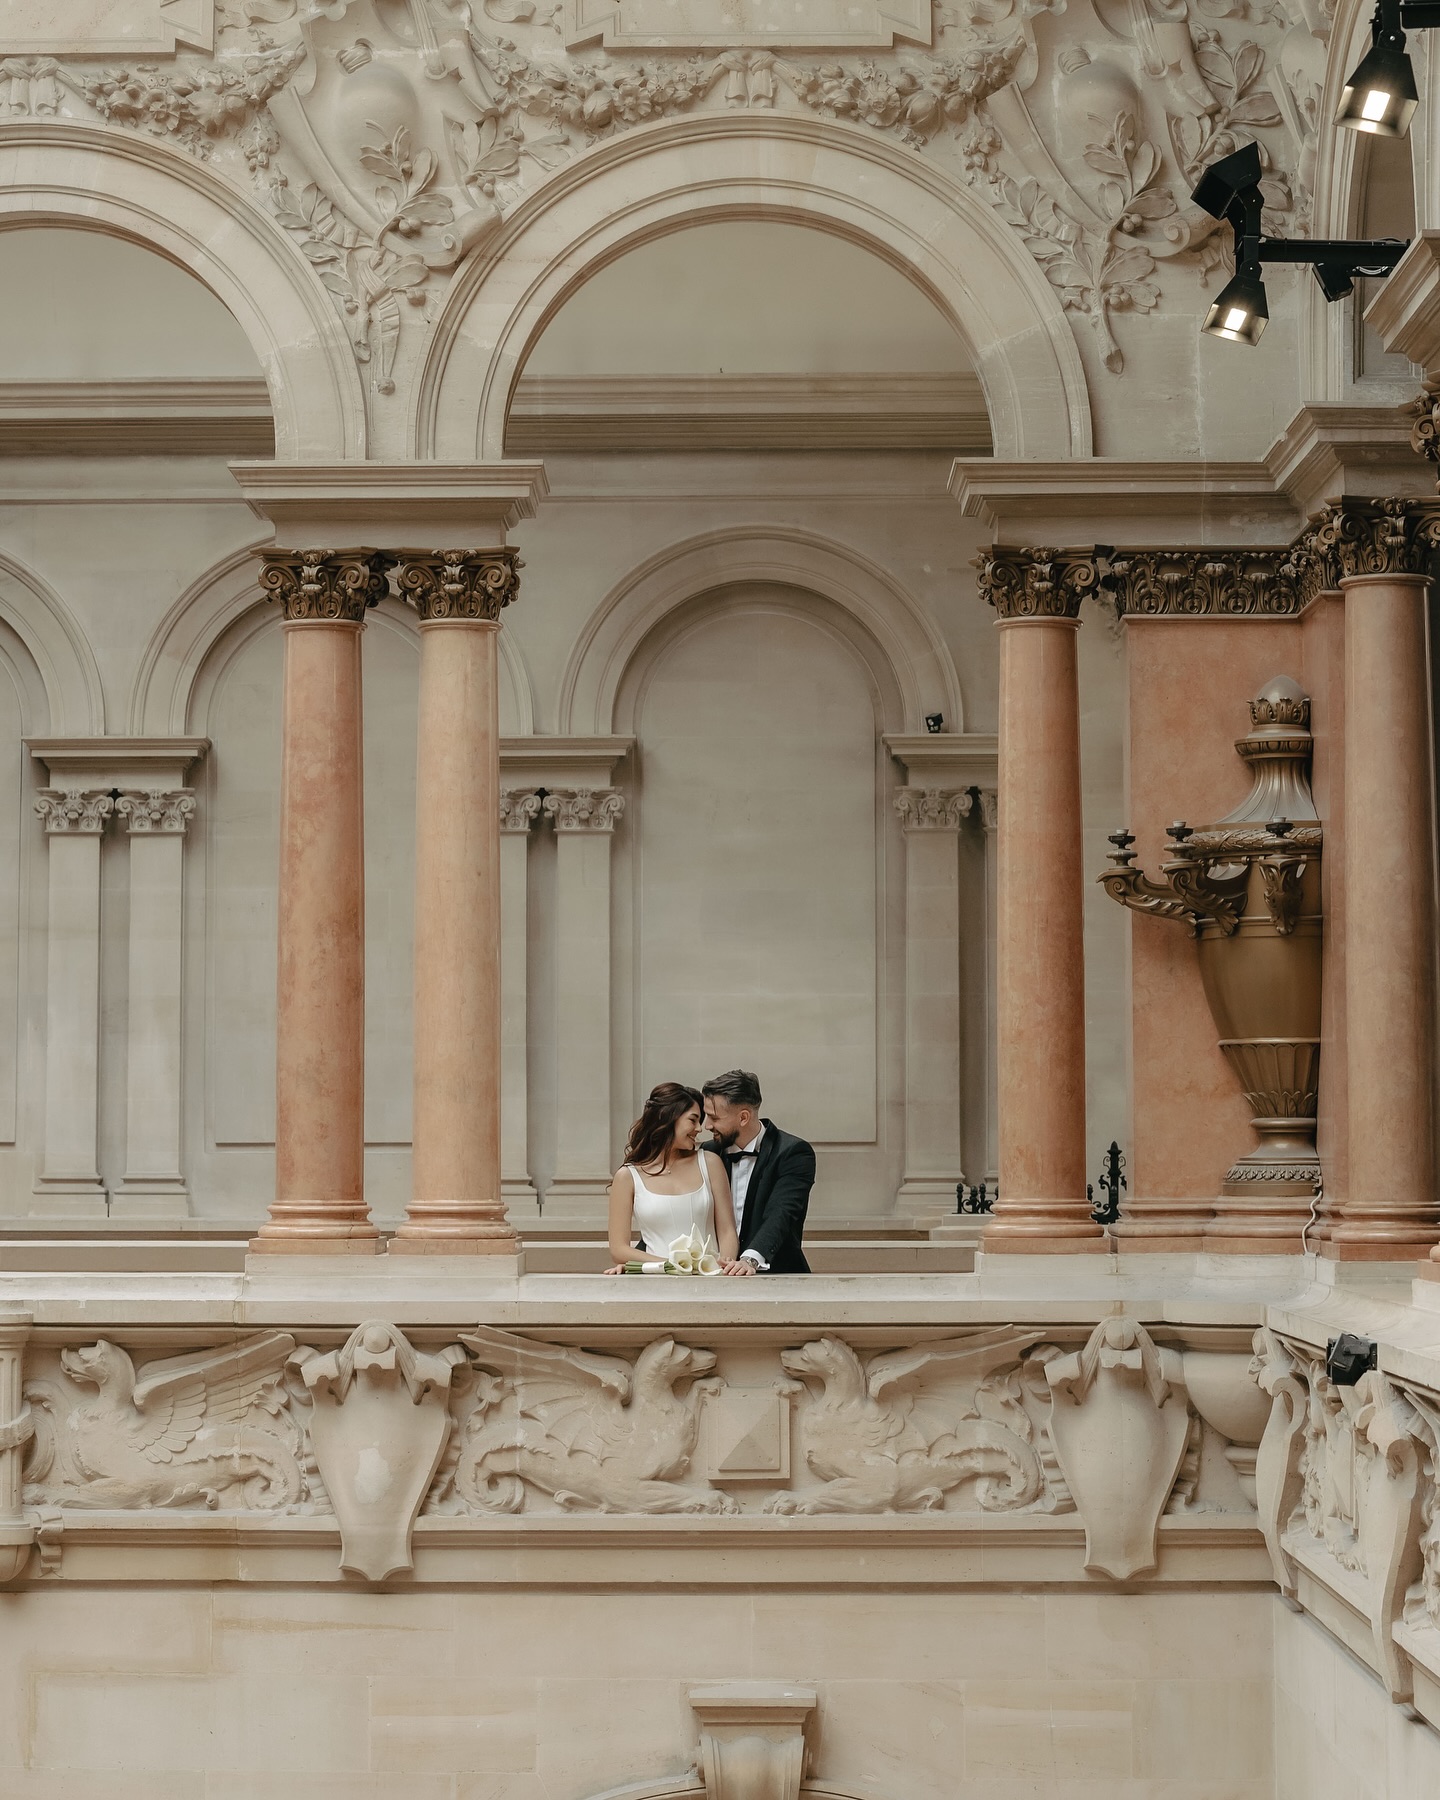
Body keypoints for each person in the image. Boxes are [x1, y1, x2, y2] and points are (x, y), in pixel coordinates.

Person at [604, 1082, 749, 1275]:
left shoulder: (710, 1163)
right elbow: (619, 1250)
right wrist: (677, 1266)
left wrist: (723, 1266)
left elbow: (727, 1231)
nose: (699, 1128)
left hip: (711, 1279)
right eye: (693, 1120)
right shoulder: (628, 1177)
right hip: (655, 1281)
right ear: (669, 1117)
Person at [701, 1070, 813, 1274]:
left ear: (743, 1117)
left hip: (777, 1276)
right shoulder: (707, 1153)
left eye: (714, 1118)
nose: (706, 1125)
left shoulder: (793, 1153)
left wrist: (750, 1260)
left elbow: (781, 1213)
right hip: (712, 1275)